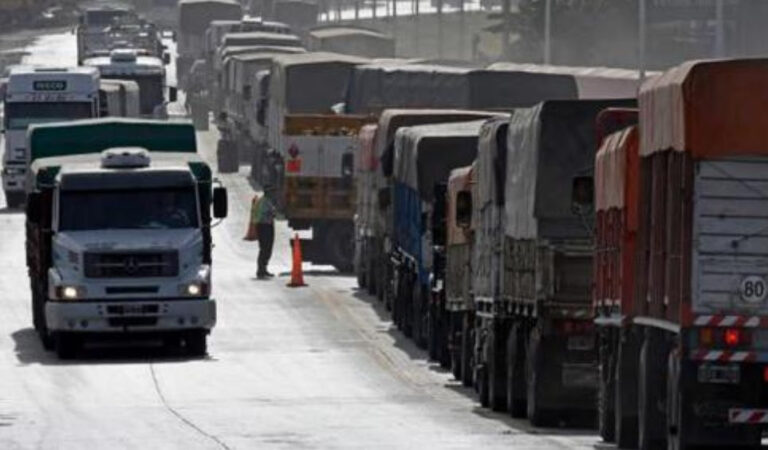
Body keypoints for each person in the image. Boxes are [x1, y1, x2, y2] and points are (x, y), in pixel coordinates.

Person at [255, 186, 278, 279]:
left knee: (266, 248)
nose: (274, 194)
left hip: (265, 225)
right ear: (268, 192)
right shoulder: (265, 201)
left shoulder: (265, 200)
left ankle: (263, 269)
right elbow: (271, 213)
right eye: (272, 192)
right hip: (264, 226)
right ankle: (261, 270)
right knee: (265, 248)